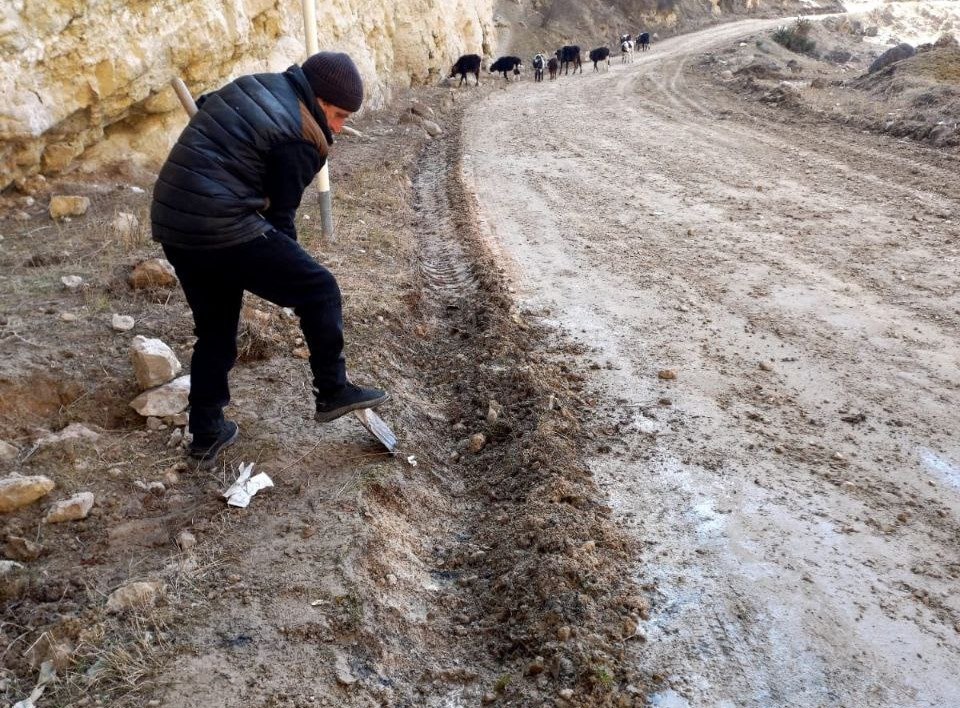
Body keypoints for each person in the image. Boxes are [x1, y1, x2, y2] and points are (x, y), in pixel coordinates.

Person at [151, 51, 388, 469]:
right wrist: (293, 279)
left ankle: (207, 432)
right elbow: (280, 218)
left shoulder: (254, 84)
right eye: (336, 115)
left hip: (175, 221)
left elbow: (207, 107)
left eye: (345, 119)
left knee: (216, 329)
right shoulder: (300, 135)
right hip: (220, 223)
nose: (337, 128)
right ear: (316, 98)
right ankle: (332, 390)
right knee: (320, 290)